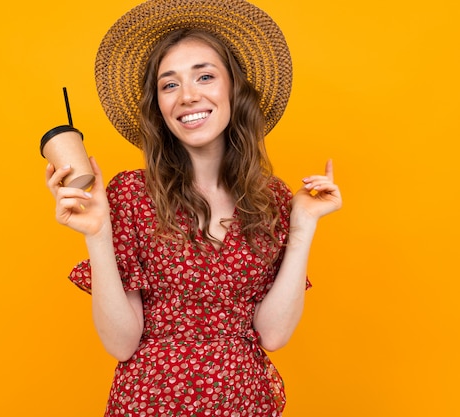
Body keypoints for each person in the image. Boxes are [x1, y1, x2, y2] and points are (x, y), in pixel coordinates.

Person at [45, 0, 342, 415]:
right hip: (149, 403)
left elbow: (272, 334)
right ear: (159, 107)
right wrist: (97, 234)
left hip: (244, 401)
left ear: (233, 89)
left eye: (205, 76)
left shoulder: (270, 197)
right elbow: (121, 343)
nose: (187, 96)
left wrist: (303, 224)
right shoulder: (130, 194)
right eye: (169, 85)